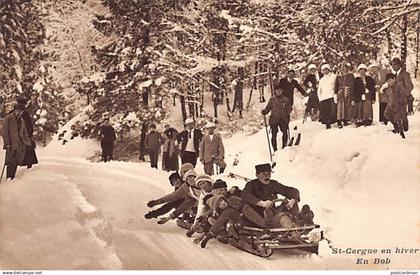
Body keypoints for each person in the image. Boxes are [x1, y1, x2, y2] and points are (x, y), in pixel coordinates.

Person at [241, 163, 300, 228]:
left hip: (273, 214)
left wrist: (293, 201)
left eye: (269, 174)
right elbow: (245, 195)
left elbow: (292, 191)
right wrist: (262, 203)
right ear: (257, 175)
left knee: (293, 202)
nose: (267, 177)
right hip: (258, 217)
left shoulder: (273, 184)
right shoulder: (252, 185)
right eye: (264, 174)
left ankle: (296, 223)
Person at [1, 103, 33, 180]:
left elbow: (24, 132)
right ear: (15, 110)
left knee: (16, 160)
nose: (20, 113)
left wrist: (28, 142)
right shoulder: (8, 118)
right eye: (19, 111)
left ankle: (12, 177)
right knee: (10, 161)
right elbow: (4, 131)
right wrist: (7, 143)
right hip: (11, 144)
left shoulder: (21, 120)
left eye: (21, 111)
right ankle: (9, 177)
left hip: (19, 144)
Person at [262, 86, 292, 152]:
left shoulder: (286, 99)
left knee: (285, 132)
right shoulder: (272, 99)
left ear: (282, 91)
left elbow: (289, 108)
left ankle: (284, 146)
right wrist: (264, 111)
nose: (278, 92)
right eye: (277, 90)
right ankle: (275, 149)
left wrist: (288, 113)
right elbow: (268, 108)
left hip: (283, 119)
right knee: (274, 134)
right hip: (274, 119)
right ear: (275, 91)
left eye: (280, 90)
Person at [390, 57, 413, 130]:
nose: (393, 67)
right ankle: (399, 128)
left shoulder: (405, 74)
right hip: (397, 98)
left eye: (394, 65)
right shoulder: (396, 75)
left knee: (403, 113)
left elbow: (410, 86)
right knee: (398, 113)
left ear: (399, 65)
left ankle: (405, 129)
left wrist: (405, 96)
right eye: (392, 65)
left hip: (403, 98)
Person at [383, 73, 408, 138]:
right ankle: (396, 127)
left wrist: (400, 103)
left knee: (398, 119)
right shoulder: (389, 87)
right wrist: (389, 103)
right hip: (391, 105)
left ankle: (402, 134)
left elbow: (402, 95)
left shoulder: (399, 85)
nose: (389, 82)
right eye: (388, 81)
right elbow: (389, 96)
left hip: (399, 105)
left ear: (394, 79)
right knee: (386, 114)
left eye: (390, 80)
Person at [16, 97, 38, 168]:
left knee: (28, 150)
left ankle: (28, 167)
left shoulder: (24, 113)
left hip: (23, 136)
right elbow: (29, 126)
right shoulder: (22, 113)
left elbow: (29, 125)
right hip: (21, 136)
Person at [317, 64, 337, 129]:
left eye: (326, 70)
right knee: (325, 113)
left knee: (332, 111)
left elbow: (337, 86)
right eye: (323, 70)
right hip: (323, 98)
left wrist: (335, 95)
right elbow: (319, 89)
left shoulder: (334, 77)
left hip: (331, 96)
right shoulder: (322, 79)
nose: (325, 71)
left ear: (329, 70)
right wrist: (320, 98)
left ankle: (336, 122)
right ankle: (327, 125)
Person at [335, 63, 355, 128]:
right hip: (341, 92)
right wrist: (335, 93)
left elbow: (353, 84)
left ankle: (345, 119)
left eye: (344, 67)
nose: (343, 69)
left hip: (349, 91)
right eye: (341, 68)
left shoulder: (351, 75)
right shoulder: (338, 76)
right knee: (340, 106)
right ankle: (339, 120)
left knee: (347, 105)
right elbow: (336, 85)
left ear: (347, 68)